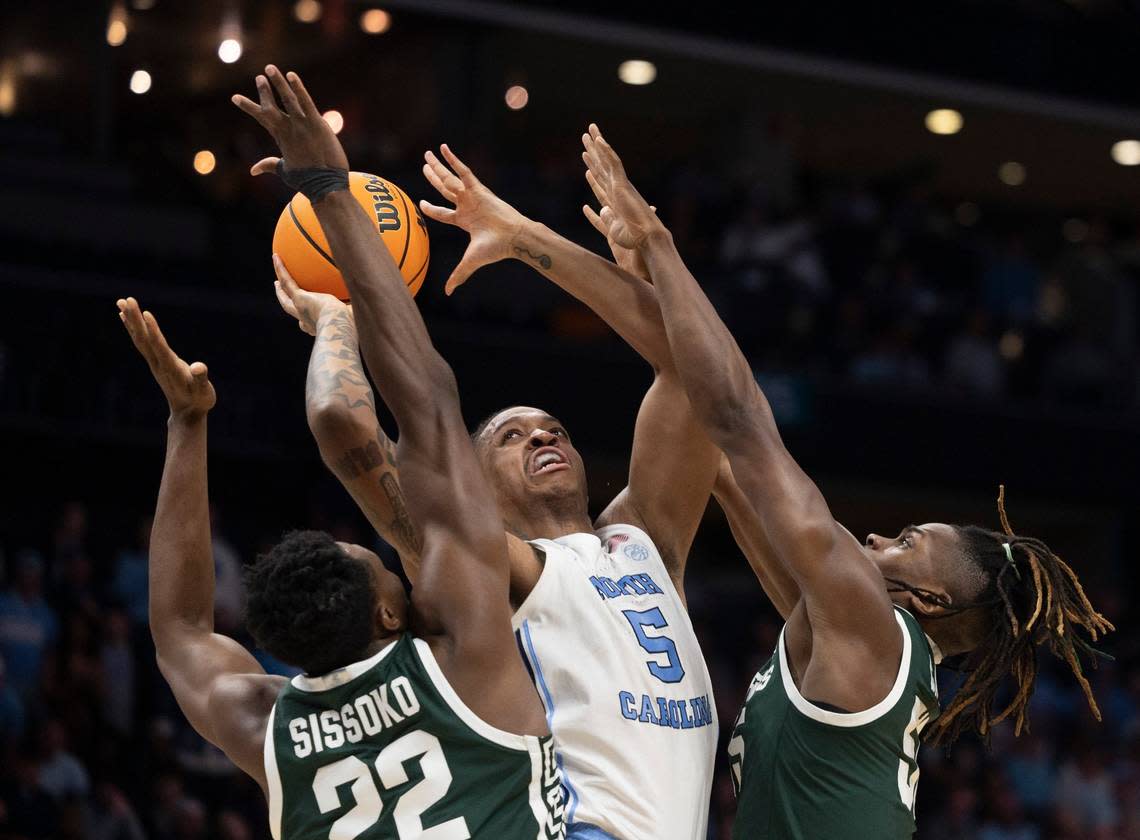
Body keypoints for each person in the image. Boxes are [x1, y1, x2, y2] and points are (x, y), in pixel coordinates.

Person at [579, 124, 1113, 838]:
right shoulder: (852, 635)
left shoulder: (872, 629)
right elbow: (723, 464)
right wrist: (651, 286)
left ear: (926, 598)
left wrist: (663, 246)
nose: (876, 535)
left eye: (906, 541)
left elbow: (738, 415)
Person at [119, 64, 567, 839]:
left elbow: (182, 634)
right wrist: (332, 263)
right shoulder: (462, 655)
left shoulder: (270, 722)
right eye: (375, 559)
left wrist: (186, 424)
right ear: (392, 612)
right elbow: (408, 408)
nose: (388, 554)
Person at [271, 89, 720, 840]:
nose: (542, 437)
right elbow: (346, 426)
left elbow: (691, 368)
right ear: (471, 485)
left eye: (552, 429)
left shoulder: (646, 538)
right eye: (511, 437)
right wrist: (338, 323)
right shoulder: (490, 567)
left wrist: (524, 236)